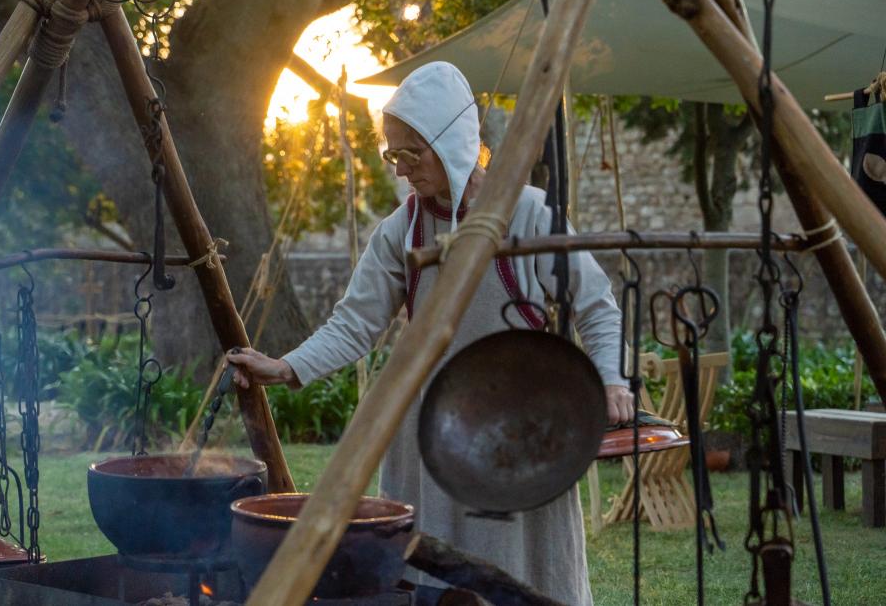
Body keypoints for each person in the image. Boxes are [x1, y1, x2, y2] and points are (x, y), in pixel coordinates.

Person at [228, 61, 630, 605]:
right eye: (393, 154)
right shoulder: (401, 231)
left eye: (410, 154)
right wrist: (286, 366)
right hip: (433, 434)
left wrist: (610, 379)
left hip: (519, 429)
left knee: (523, 574)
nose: (400, 170)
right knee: (436, 580)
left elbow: (597, 304)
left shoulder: (529, 214)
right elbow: (355, 324)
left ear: (452, 143)